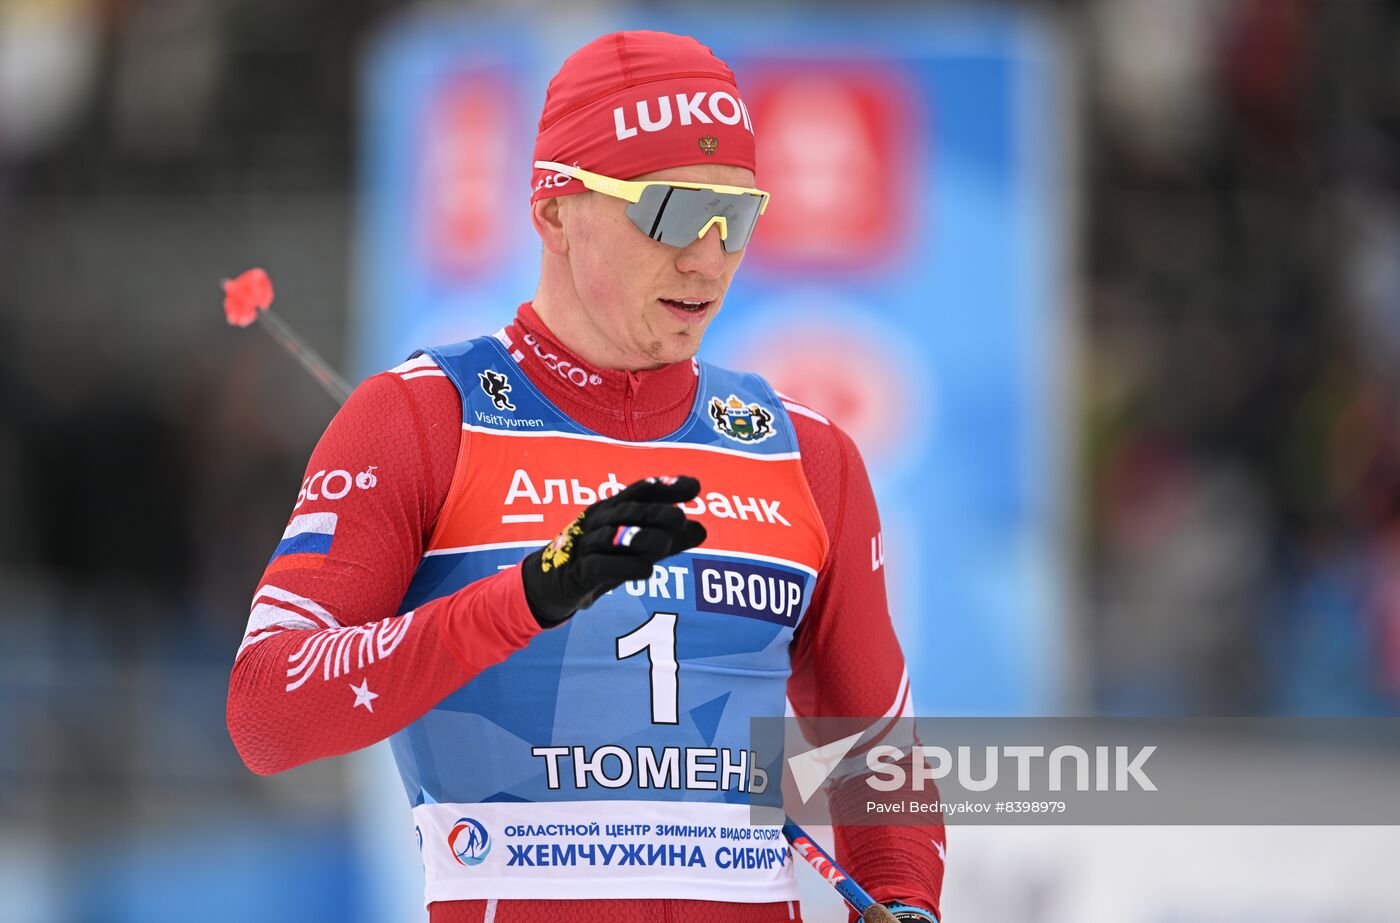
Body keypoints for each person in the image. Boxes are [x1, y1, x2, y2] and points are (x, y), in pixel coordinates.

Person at [226, 29, 945, 923]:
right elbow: (267, 712)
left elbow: (877, 755)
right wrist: (527, 595)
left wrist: (910, 899)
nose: (709, 256)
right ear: (555, 208)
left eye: (740, 215)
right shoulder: (422, 419)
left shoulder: (805, 453)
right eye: (673, 211)